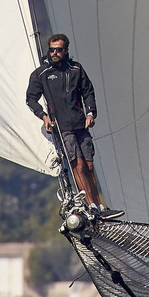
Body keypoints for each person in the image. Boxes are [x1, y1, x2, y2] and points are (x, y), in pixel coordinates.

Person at [26, 32, 102, 207]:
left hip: (80, 123)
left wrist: (91, 113)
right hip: (62, 127)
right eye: (52, 50)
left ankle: (99, 205)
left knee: (90, 166)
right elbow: (30, 98)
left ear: (66, 50)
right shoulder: (41, 73)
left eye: (59, 50)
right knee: (79, 165)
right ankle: (90, 205)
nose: (54, 53)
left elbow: (88, 91)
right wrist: (43, 116)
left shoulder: (76, 69)